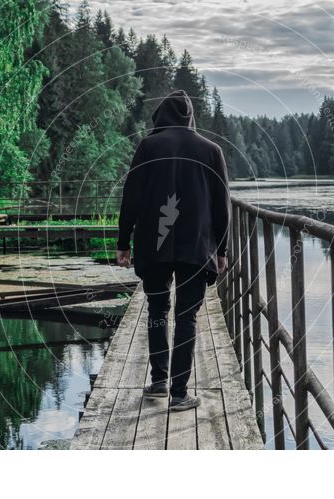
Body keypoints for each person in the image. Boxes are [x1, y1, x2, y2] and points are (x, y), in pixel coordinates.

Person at [116, 89, 230, 411]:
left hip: (154, 243)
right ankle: (180, 393)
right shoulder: (212, 151)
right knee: (187, 316)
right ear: (191, 117)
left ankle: (160, 381)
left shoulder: (148, 147)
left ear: (161, 115)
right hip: (197, 246)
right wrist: (222, 249)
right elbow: (223, 207)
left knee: (157, 311)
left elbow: (132, 198)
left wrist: (123, 243)